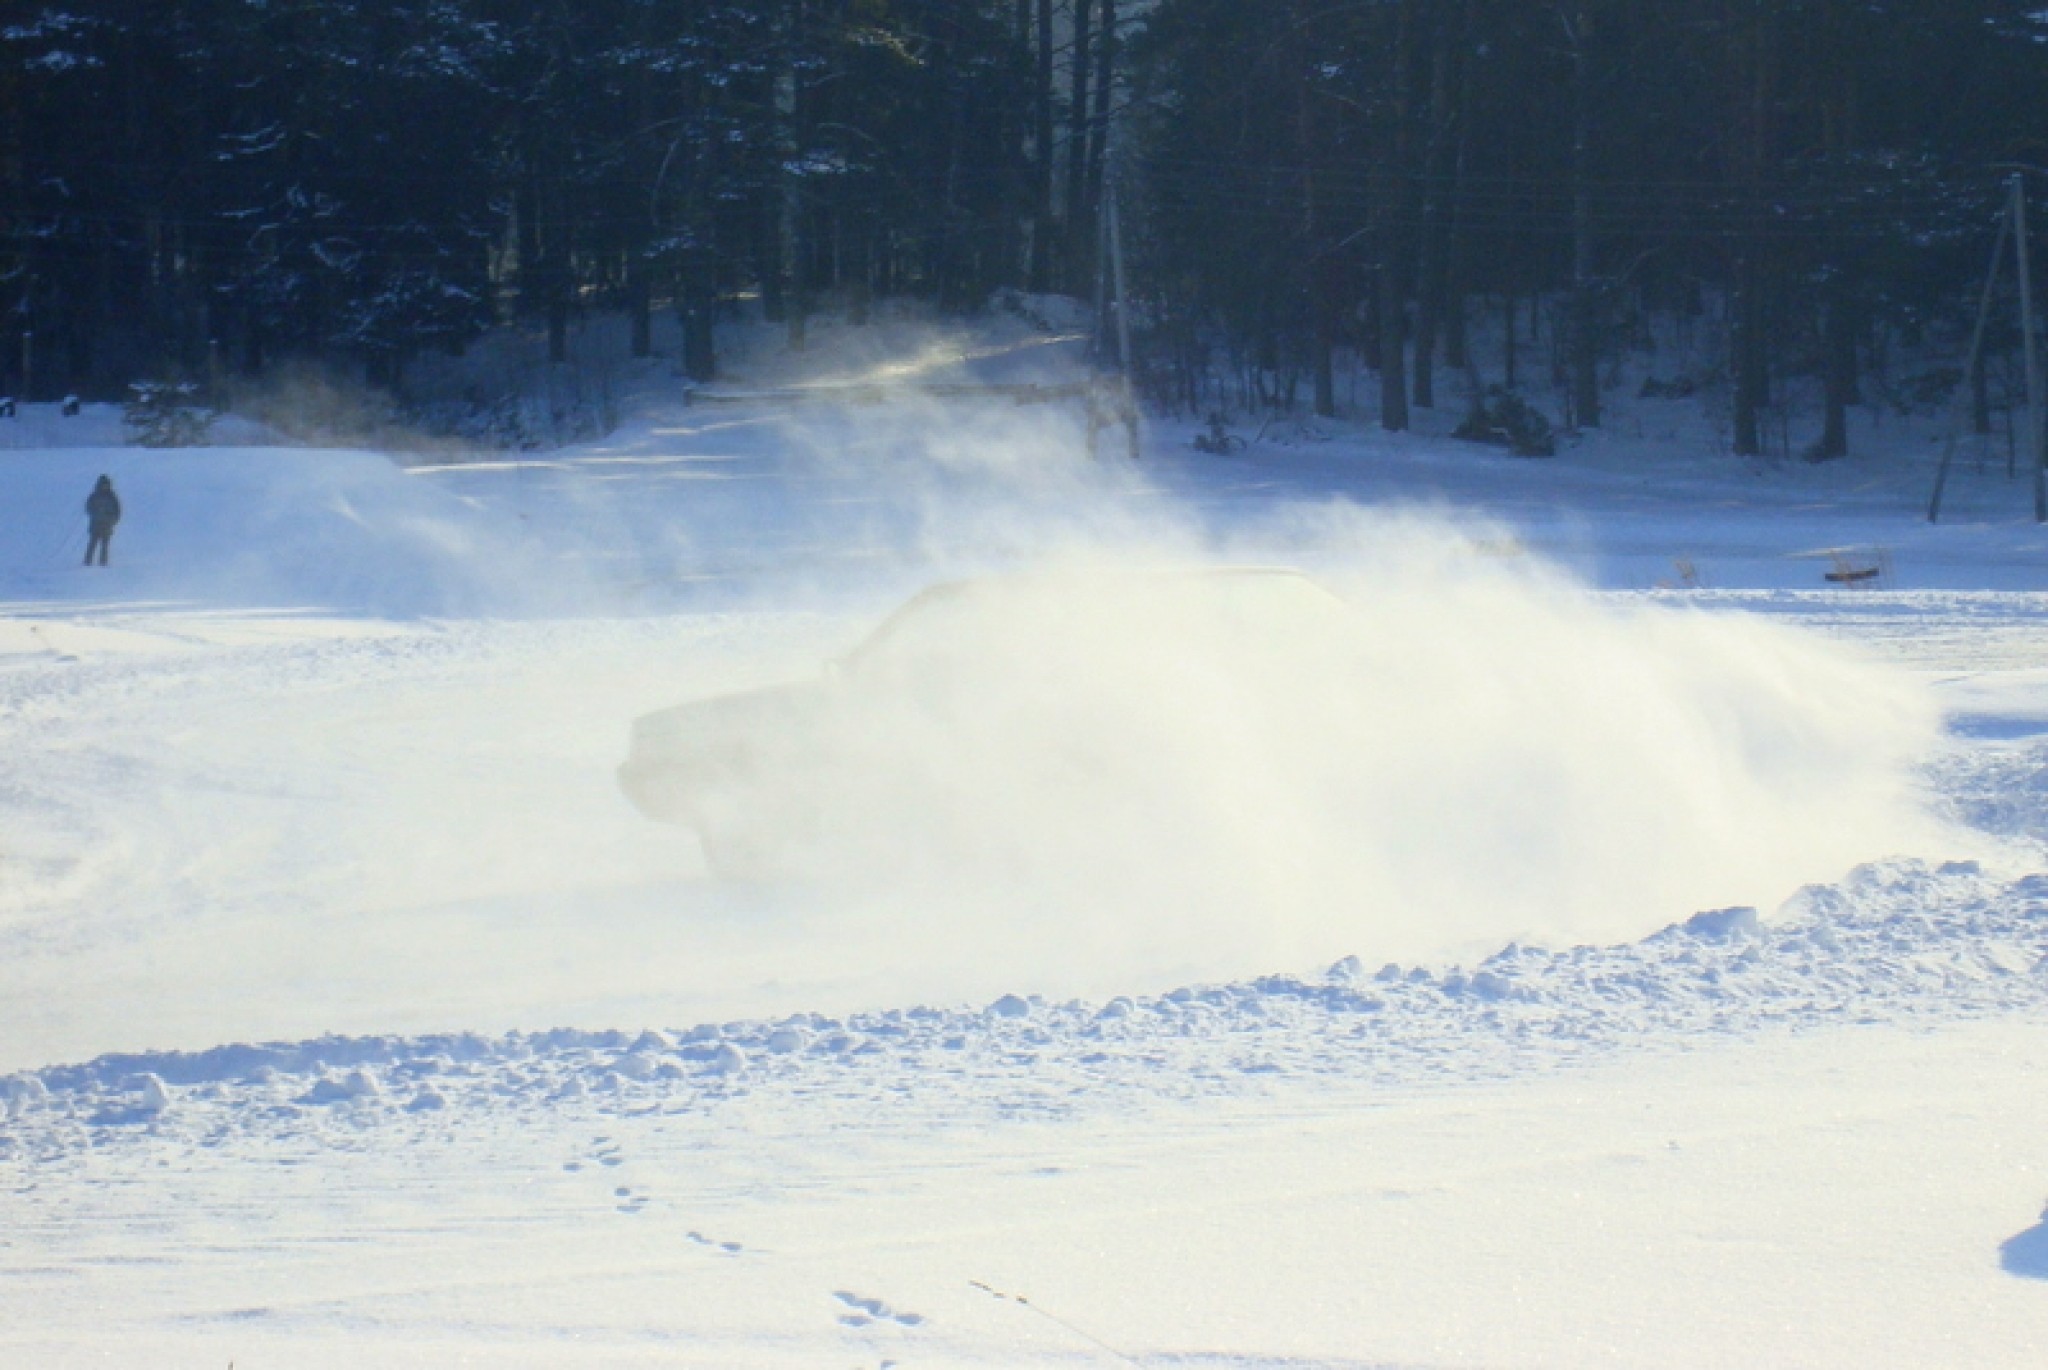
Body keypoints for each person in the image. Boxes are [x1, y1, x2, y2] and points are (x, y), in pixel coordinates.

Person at [84, 475, 120, 567]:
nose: (105, 486)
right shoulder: (95, 495)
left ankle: (103, 563)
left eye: (106, 484)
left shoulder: (112, 497)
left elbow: (118, 511)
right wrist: (95, 514)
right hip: (96, 524)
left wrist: (113, 520)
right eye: (103, 484)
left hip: (107, 525)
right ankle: (87, 562)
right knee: (92, 544)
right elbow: (88, 507)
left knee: (104, 545)